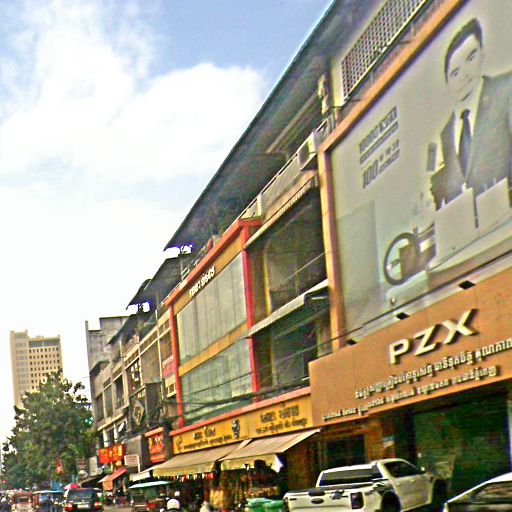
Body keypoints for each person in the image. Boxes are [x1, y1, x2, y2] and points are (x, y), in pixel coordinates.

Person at [430, 18, 512, 210]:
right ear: (447, 83)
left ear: (482, 54)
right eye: (455, 73)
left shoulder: (506, 89)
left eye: (470, 58)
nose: (465, 75)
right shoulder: (446, 133)